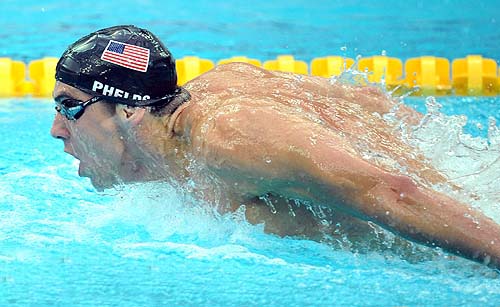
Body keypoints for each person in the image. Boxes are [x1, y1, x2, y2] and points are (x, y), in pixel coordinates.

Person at [50, 25, 500, 269]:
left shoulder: (229, 138)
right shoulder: (212, 98)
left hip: (471, 210)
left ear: (129, 112)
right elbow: (369, 101)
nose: (56, 130)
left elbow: (394, 192)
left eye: (70, 108)